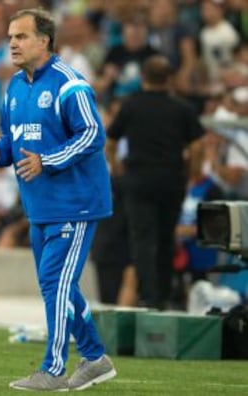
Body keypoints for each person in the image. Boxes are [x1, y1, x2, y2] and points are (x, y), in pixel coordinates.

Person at [0, 8, 116, 392]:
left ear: (44, 41)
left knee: (54, 281)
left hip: (76, 201)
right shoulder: (13, 87)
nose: (12, 43)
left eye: (21, 36)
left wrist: (46, 160)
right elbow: (12, 143)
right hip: (40, 205)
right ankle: (96, 358)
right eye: (10, 37)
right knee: (59, 285)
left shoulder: (70, 84)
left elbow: (93, 135)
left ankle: (53, 369)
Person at [107, 55, 205, 309]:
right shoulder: (182, 108)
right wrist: (191, 173)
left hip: (138, 179)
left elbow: (111, 141)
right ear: (169, 79)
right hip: (171, 180)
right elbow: (196, 146)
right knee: (165, 238)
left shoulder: (131, 105)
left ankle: (148, 296)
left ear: (143, 78)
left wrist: (117, 168)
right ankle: (163, 294)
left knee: (142, 240)